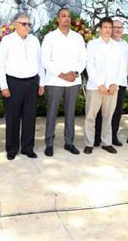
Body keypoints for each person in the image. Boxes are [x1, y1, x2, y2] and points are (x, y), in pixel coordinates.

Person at [0, 13, 45, 160]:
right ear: (15, 25)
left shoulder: (34, 40)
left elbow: (40, 62)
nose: (27, 27)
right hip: (13, 83)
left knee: (30, 117)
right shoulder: (7, 40)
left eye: (29, 24)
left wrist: (41, 82)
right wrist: (3, 86)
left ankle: (27, 148)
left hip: (32, 83)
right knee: (12, 118)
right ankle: (12, 149)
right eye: (24, 24)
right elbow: (0, 65)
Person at [41, 8, 86, 157]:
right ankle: (49, 144)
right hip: (54, 81)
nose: (66, 19)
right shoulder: (50, 37)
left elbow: (83, 59)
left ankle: (69, 142)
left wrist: (76, 73)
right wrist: (62, 75)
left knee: (70, 114)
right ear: (58, 19)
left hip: (73, 81)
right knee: (52, 113)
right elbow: (45, 60)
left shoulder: (78, 38)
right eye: (63, 16)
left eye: (68, 16)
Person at [83, 17, 126, 154]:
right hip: (95, 87)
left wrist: (115, 83)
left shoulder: (118, 47)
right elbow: (89, 65)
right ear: (100, 29)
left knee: (108, 116)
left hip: (112, 88)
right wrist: (99, 83)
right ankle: (89, 143)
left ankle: (106, 142)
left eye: (110, 27)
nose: (108, 30)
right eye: (105, 27)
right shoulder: (92, 44)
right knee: (91, 116)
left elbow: (123, 67)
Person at [94, 19, 128, 147]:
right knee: (100, 112)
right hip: (103, 84)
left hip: (119, 84)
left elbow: (127, 65)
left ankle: (113, 136)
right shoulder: (101, 44)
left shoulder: (125, 45)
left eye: (120, 27)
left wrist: (118, 81)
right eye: (115, 27)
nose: (117, 29)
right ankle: (97, 137)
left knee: (116, 112)